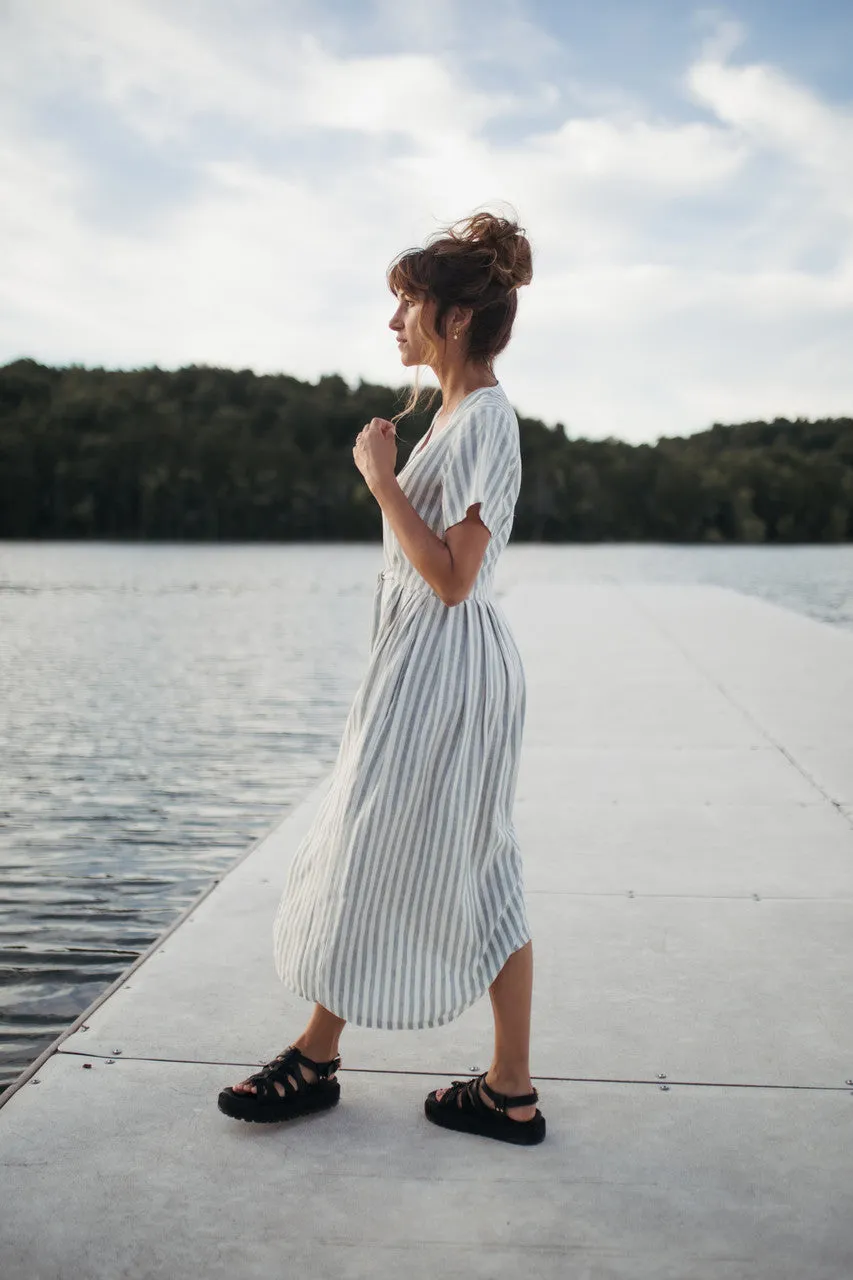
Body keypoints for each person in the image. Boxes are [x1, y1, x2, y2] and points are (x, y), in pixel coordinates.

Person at [217, 209, 545, 1145]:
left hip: (448, 671)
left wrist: (380, 480)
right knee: (472, 860)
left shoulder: (484, 418)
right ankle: (502, 1090)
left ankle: (320, 1058)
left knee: (391, 847)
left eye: (405, 307)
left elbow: (452, 580)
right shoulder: (453, 414)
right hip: (424, 670)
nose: (391, 324)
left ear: (450, 320)